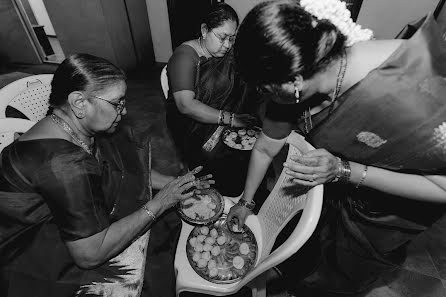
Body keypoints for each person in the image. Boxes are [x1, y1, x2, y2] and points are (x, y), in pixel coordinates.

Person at [228, 0, 446, 294]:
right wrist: (246, 201)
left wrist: (346, 170)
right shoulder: (307, 67)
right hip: (334, 194)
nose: (260, 97)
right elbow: (266, 148)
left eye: (263, 90)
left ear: (294, 82)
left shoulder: (413, 100)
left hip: (380, 214)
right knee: (308, 254)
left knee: (339, 279)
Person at [0, 53, 213, 297]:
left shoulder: (70, 125)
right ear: (79, 102)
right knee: (156, 264)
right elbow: (90, 255)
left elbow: (120, 170)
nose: (124, 111)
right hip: (36, 252)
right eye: (117, 102)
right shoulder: (64, 165)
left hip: (67, 222)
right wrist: (160, 202)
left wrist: (174, 184)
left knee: (168, 224)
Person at [166, 3, 262, 197]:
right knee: (226, 160)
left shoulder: (225, 53)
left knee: (254, 144)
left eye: (231, 38)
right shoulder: (184, 57)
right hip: (194, 130)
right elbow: (185, 105)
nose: (227, 45)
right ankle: (226, 194)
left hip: (221, 118)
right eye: (222, 37)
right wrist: (232, 119)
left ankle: (246, 190)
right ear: (204, 30)